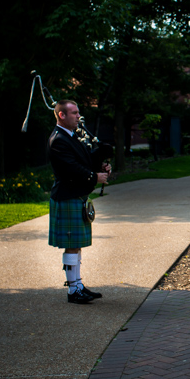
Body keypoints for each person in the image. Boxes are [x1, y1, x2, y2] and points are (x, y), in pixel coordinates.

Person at [48, 100, 110, 304]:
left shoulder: (71, 137)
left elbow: (83, 161)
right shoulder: (58, 140)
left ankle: (78, 285)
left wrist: (99, 164)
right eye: (74, 113)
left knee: (75, 245)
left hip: (75, 196)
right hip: (67, 196)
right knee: (72, 245)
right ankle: (73, 290)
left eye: (78, 112)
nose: (78, 116)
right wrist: (95, 178)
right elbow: (71, 168)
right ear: (61, 116)